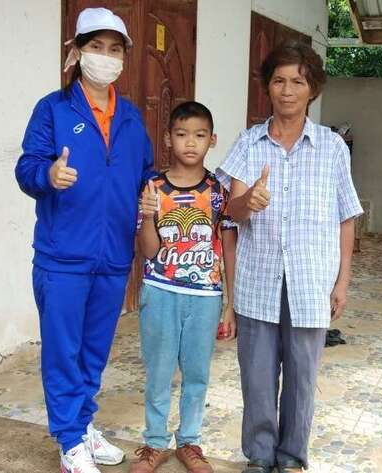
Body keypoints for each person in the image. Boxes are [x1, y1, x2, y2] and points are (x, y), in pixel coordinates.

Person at [14, 7, 155, 473]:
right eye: (96, 47)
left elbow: (145, 172)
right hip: (63, 257)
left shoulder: (130, 117)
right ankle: (69, 441)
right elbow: (27, 167)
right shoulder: (53, 109)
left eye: (115, 49)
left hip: (113, 256)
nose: (105, 57)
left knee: (94, 352)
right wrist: (48, 175)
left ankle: (83, 425)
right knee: (63, 352)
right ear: (76, 52)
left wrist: (152, 195)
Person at [216, 41, 363, 473]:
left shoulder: (332, 147)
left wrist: (342, 281)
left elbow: (346, 218)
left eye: (297, 81)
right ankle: (260, 457)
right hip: (258, 278)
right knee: (257, 376)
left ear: (312, 88)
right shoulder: (249, 143)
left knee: (302, 377)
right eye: (278, 81)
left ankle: (292, 458)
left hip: (311, 281)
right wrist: (248, 202)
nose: (287, 90)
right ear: (267, 87)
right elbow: (231, 212)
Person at [129, 102, 237, 473]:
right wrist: (146, 215)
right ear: (167, 138)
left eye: (200, 135)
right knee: (159, 371)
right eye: (181, 134)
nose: (190, 143)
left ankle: (189, 441)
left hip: (205, 296)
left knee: (197, 373)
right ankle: (155, 443)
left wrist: (230, 302)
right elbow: (149, 251)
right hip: (160, 291)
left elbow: (228, 245)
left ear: (212, 140)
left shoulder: (219, 191)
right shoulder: (153, 187)